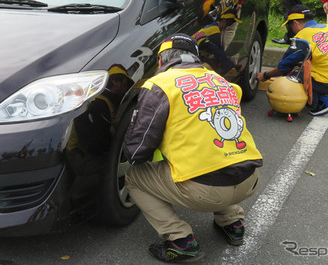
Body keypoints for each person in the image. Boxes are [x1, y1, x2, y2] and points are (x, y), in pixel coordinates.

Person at [124, 33, 262, 263]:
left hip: (205, 191)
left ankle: (179, 240)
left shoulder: (160, 85)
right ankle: (233, 222)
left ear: (161, 61)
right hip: (250, 179)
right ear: (196, 59)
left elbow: (137, 150)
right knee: (219, 155)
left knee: (134, 177)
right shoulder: (223, 82)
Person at [257, 5, 328, 116]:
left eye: (289, 25)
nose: (291, 29)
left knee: (295, 74)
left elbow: (284, 67)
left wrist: (265, 75)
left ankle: (323, 102)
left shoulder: (303, 37)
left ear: (296, 23)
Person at [66, 64, 133, 205]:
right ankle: (73, 203)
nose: (127, 87)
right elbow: (94, 146)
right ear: (116, 82)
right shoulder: (97, 105)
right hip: (76, 153)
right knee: (106, 169)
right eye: (125, 83)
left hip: (87, 147)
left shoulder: (105, 99)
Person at [192, 10, 244, 77]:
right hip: (193, 53)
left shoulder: (211, 26)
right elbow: (219, 53)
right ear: (224, 21)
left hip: (192, 48)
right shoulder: (215, 33)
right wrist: (233, 67)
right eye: (230, 23)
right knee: (215, 58)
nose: (228, 26)